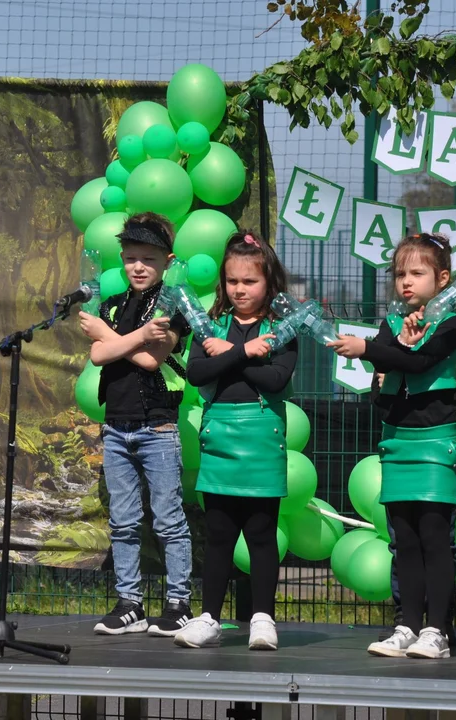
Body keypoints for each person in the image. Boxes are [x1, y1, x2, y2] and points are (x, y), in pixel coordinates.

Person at [330, 233, 456, 660]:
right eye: (399, 274)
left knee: (434, 536)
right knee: (403, 538)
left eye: (417, 273)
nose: (406, 282)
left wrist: (374, 350)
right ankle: (406, 624)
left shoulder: (452, 324)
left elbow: (418, 363)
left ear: (442, 278)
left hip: (435, 442)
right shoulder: (392, 323)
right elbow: (383, 383)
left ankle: (438, 630)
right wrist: (389, 350)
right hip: (397, 441)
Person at [175, 231, 297, 651]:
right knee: (220, 534)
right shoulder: (211, 325)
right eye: (232, 281)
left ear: (269, 282)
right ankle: (208, 617)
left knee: (262, 534)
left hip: (261, 443)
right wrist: (244, 353)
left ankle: (263, 618)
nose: (239, 289)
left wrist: (228, 356)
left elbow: (276, 381)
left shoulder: (282, 329)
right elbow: (197, 374)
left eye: (250, 281)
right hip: (220, 440)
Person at [78, 212, 194, 637]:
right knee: (123, 521)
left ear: (167, 259)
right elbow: (97, 358)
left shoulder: (174, 306)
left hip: (157, 427)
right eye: (130, 258)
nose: (138, 266)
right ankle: (130, 602)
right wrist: (127, 336)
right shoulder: (111, 305)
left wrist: (109, 336)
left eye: (148, 258)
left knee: (168, 518)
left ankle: (178, 601)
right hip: (116, 426)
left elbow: (150, 360)